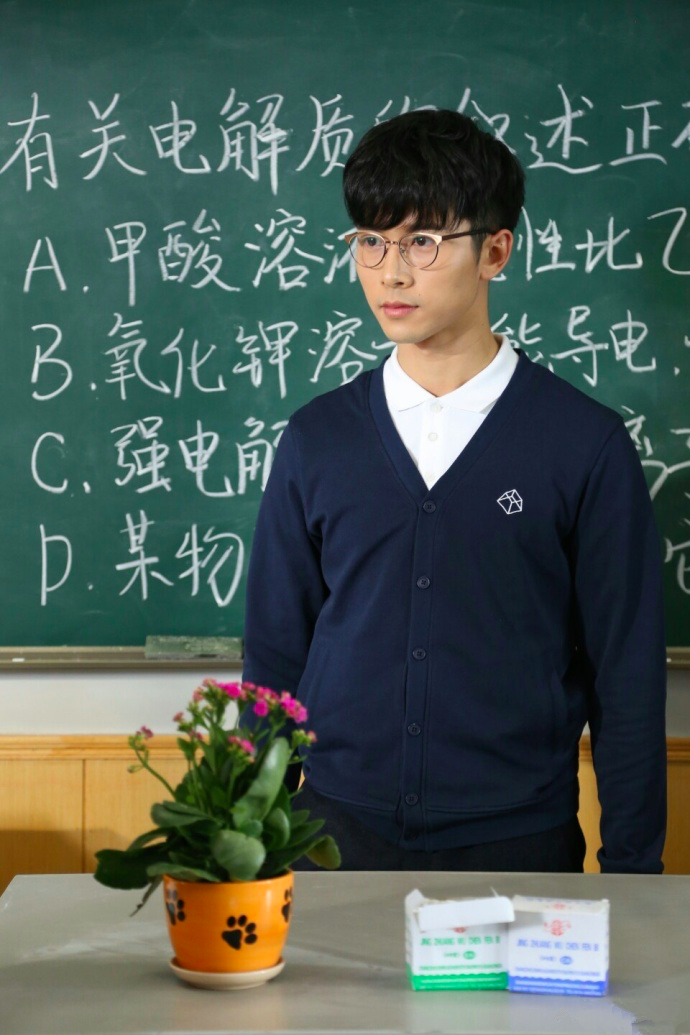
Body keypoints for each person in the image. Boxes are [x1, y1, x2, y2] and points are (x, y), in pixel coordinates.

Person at [242, 110, 667, 874]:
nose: (391, 272)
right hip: (333, 838)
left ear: (495, 251)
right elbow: (275, 652)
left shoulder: (584, 443)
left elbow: (625, 677)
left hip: (518, 844)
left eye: (422, 242)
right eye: (370, 241)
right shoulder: (317, 437)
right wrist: (249, 847)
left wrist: (635, 875)